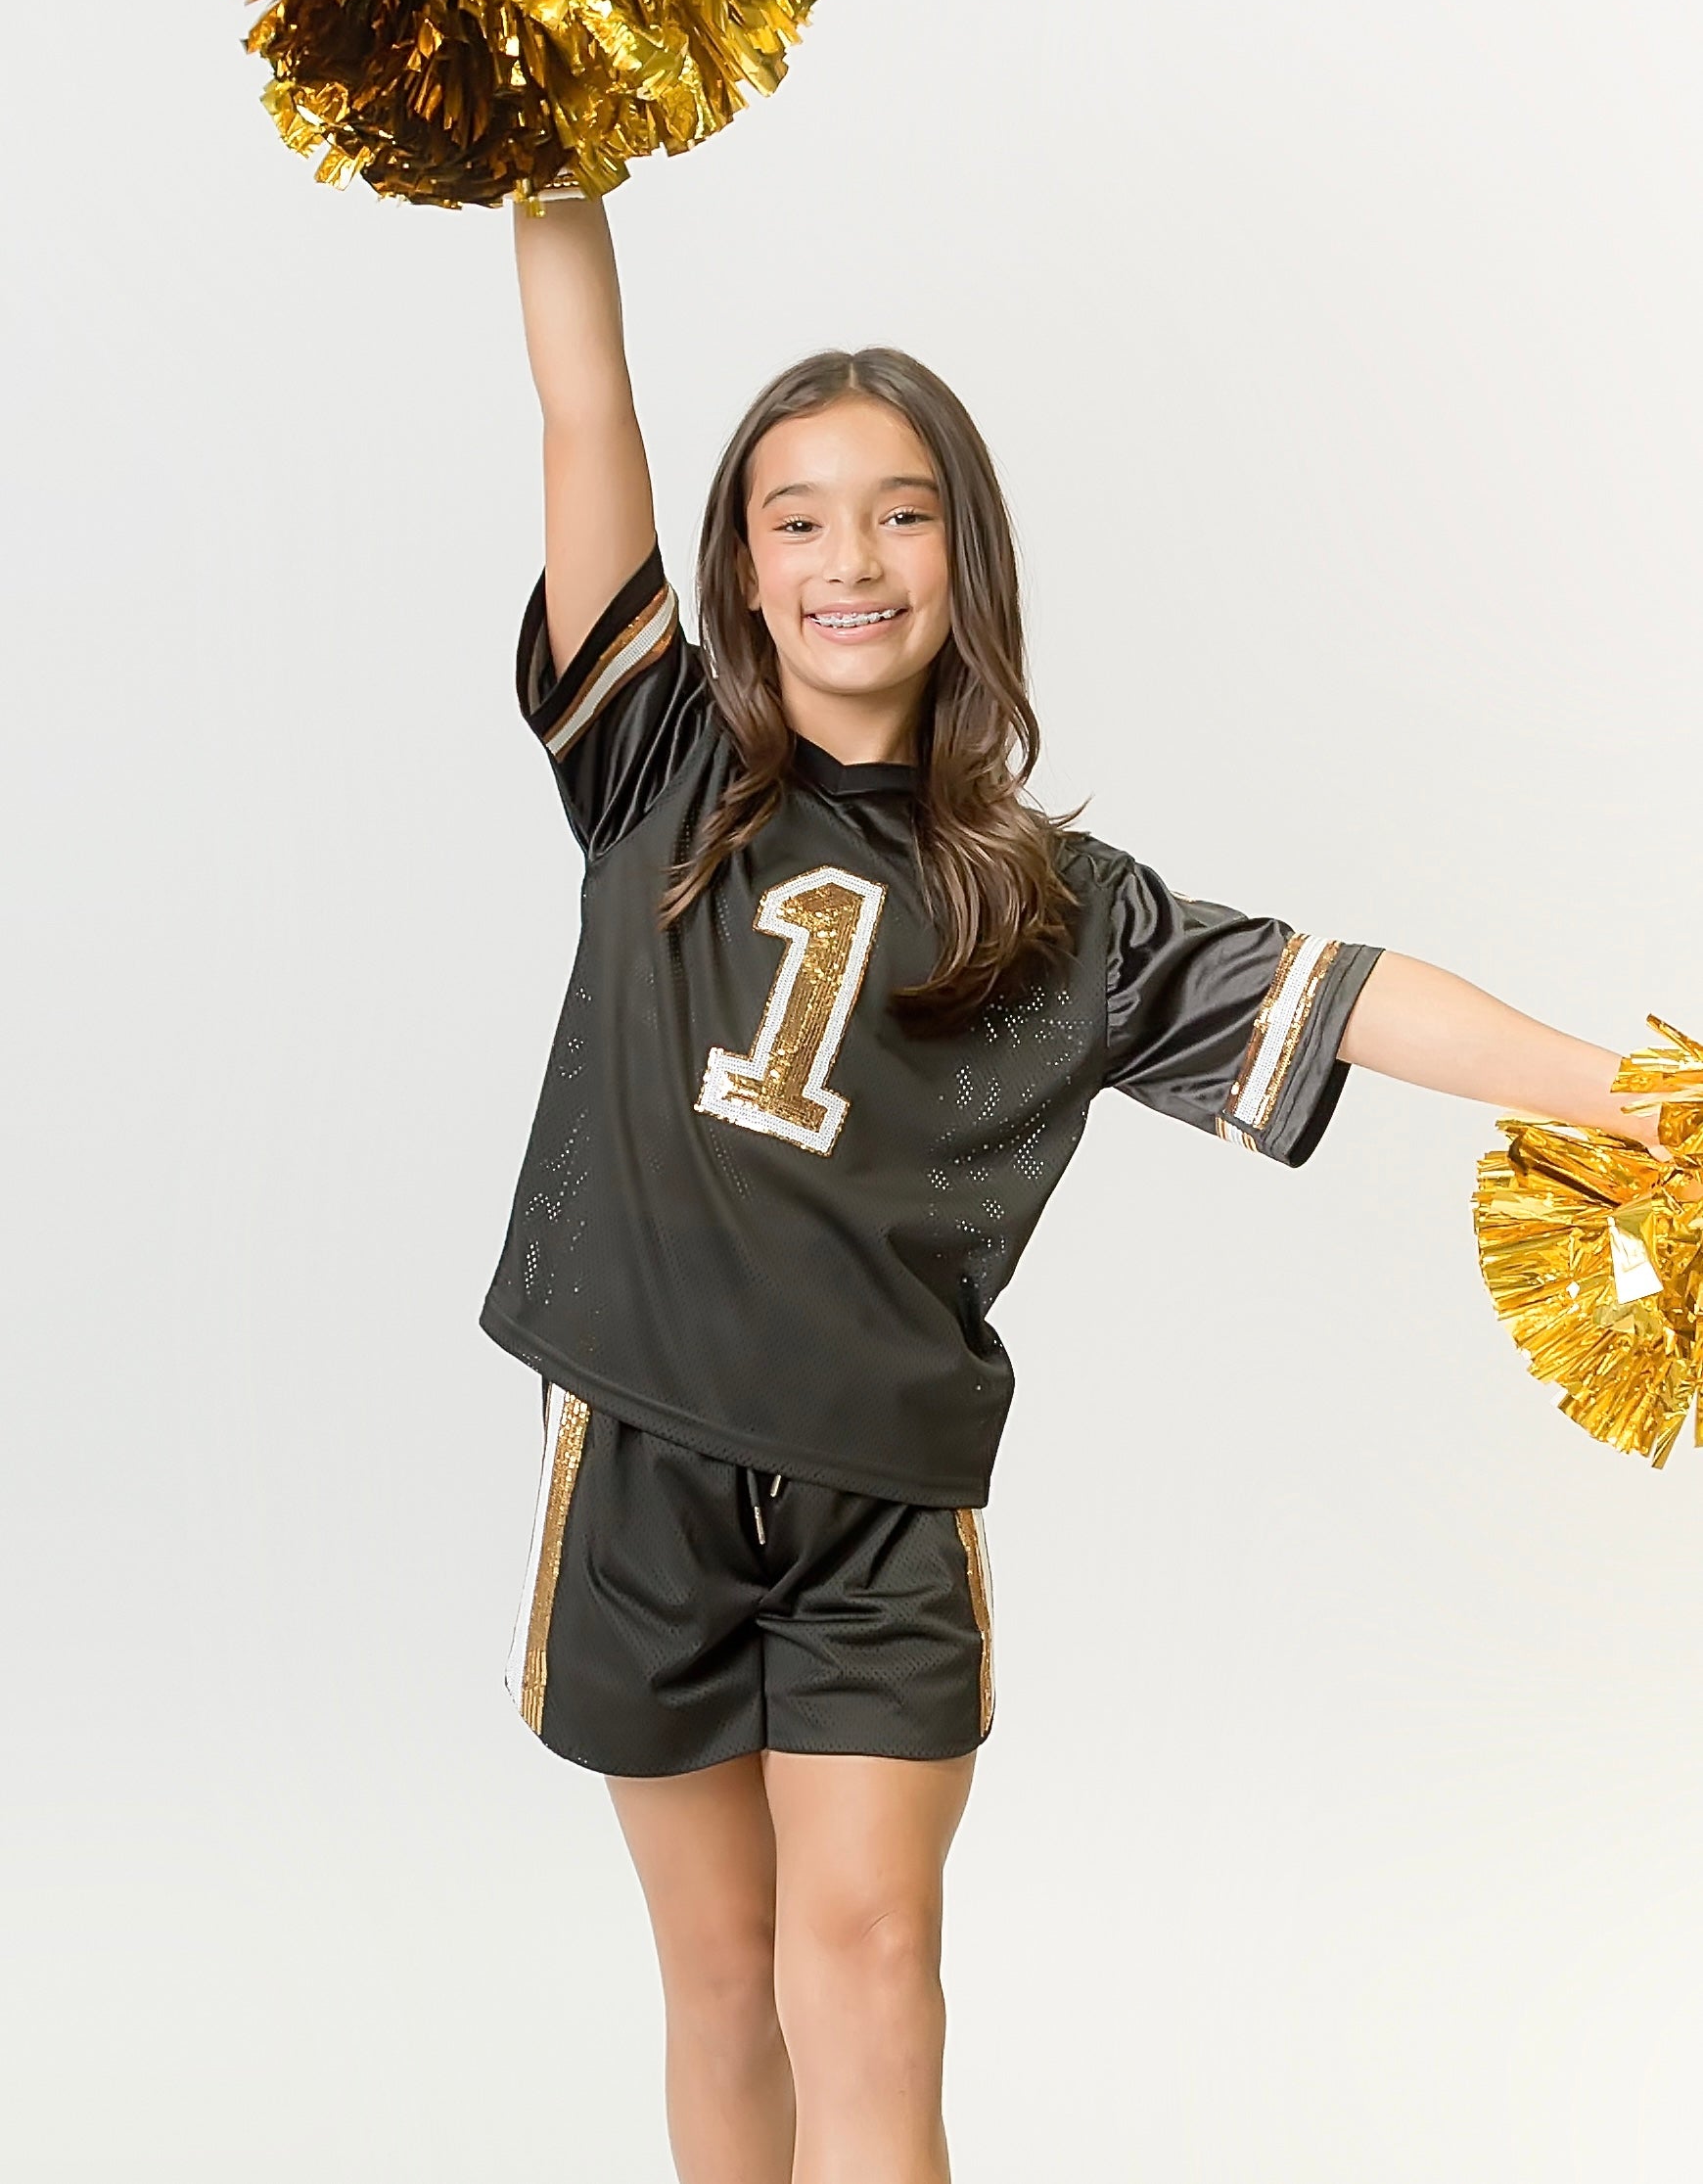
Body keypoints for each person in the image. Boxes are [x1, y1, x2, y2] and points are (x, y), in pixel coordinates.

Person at [483, 193, 1668, 2184]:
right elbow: (580, 392)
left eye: (902, 512)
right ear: (742, 574)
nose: (850, 556)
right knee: (720, 1972)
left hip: (881, 1513)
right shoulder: (658, 760)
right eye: (797, 518)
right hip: (640, 1474)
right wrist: (549, 166)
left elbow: (1349, 994)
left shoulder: (1060, 908)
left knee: (870, 1965)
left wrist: (1626, 1093)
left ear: (968, 561)